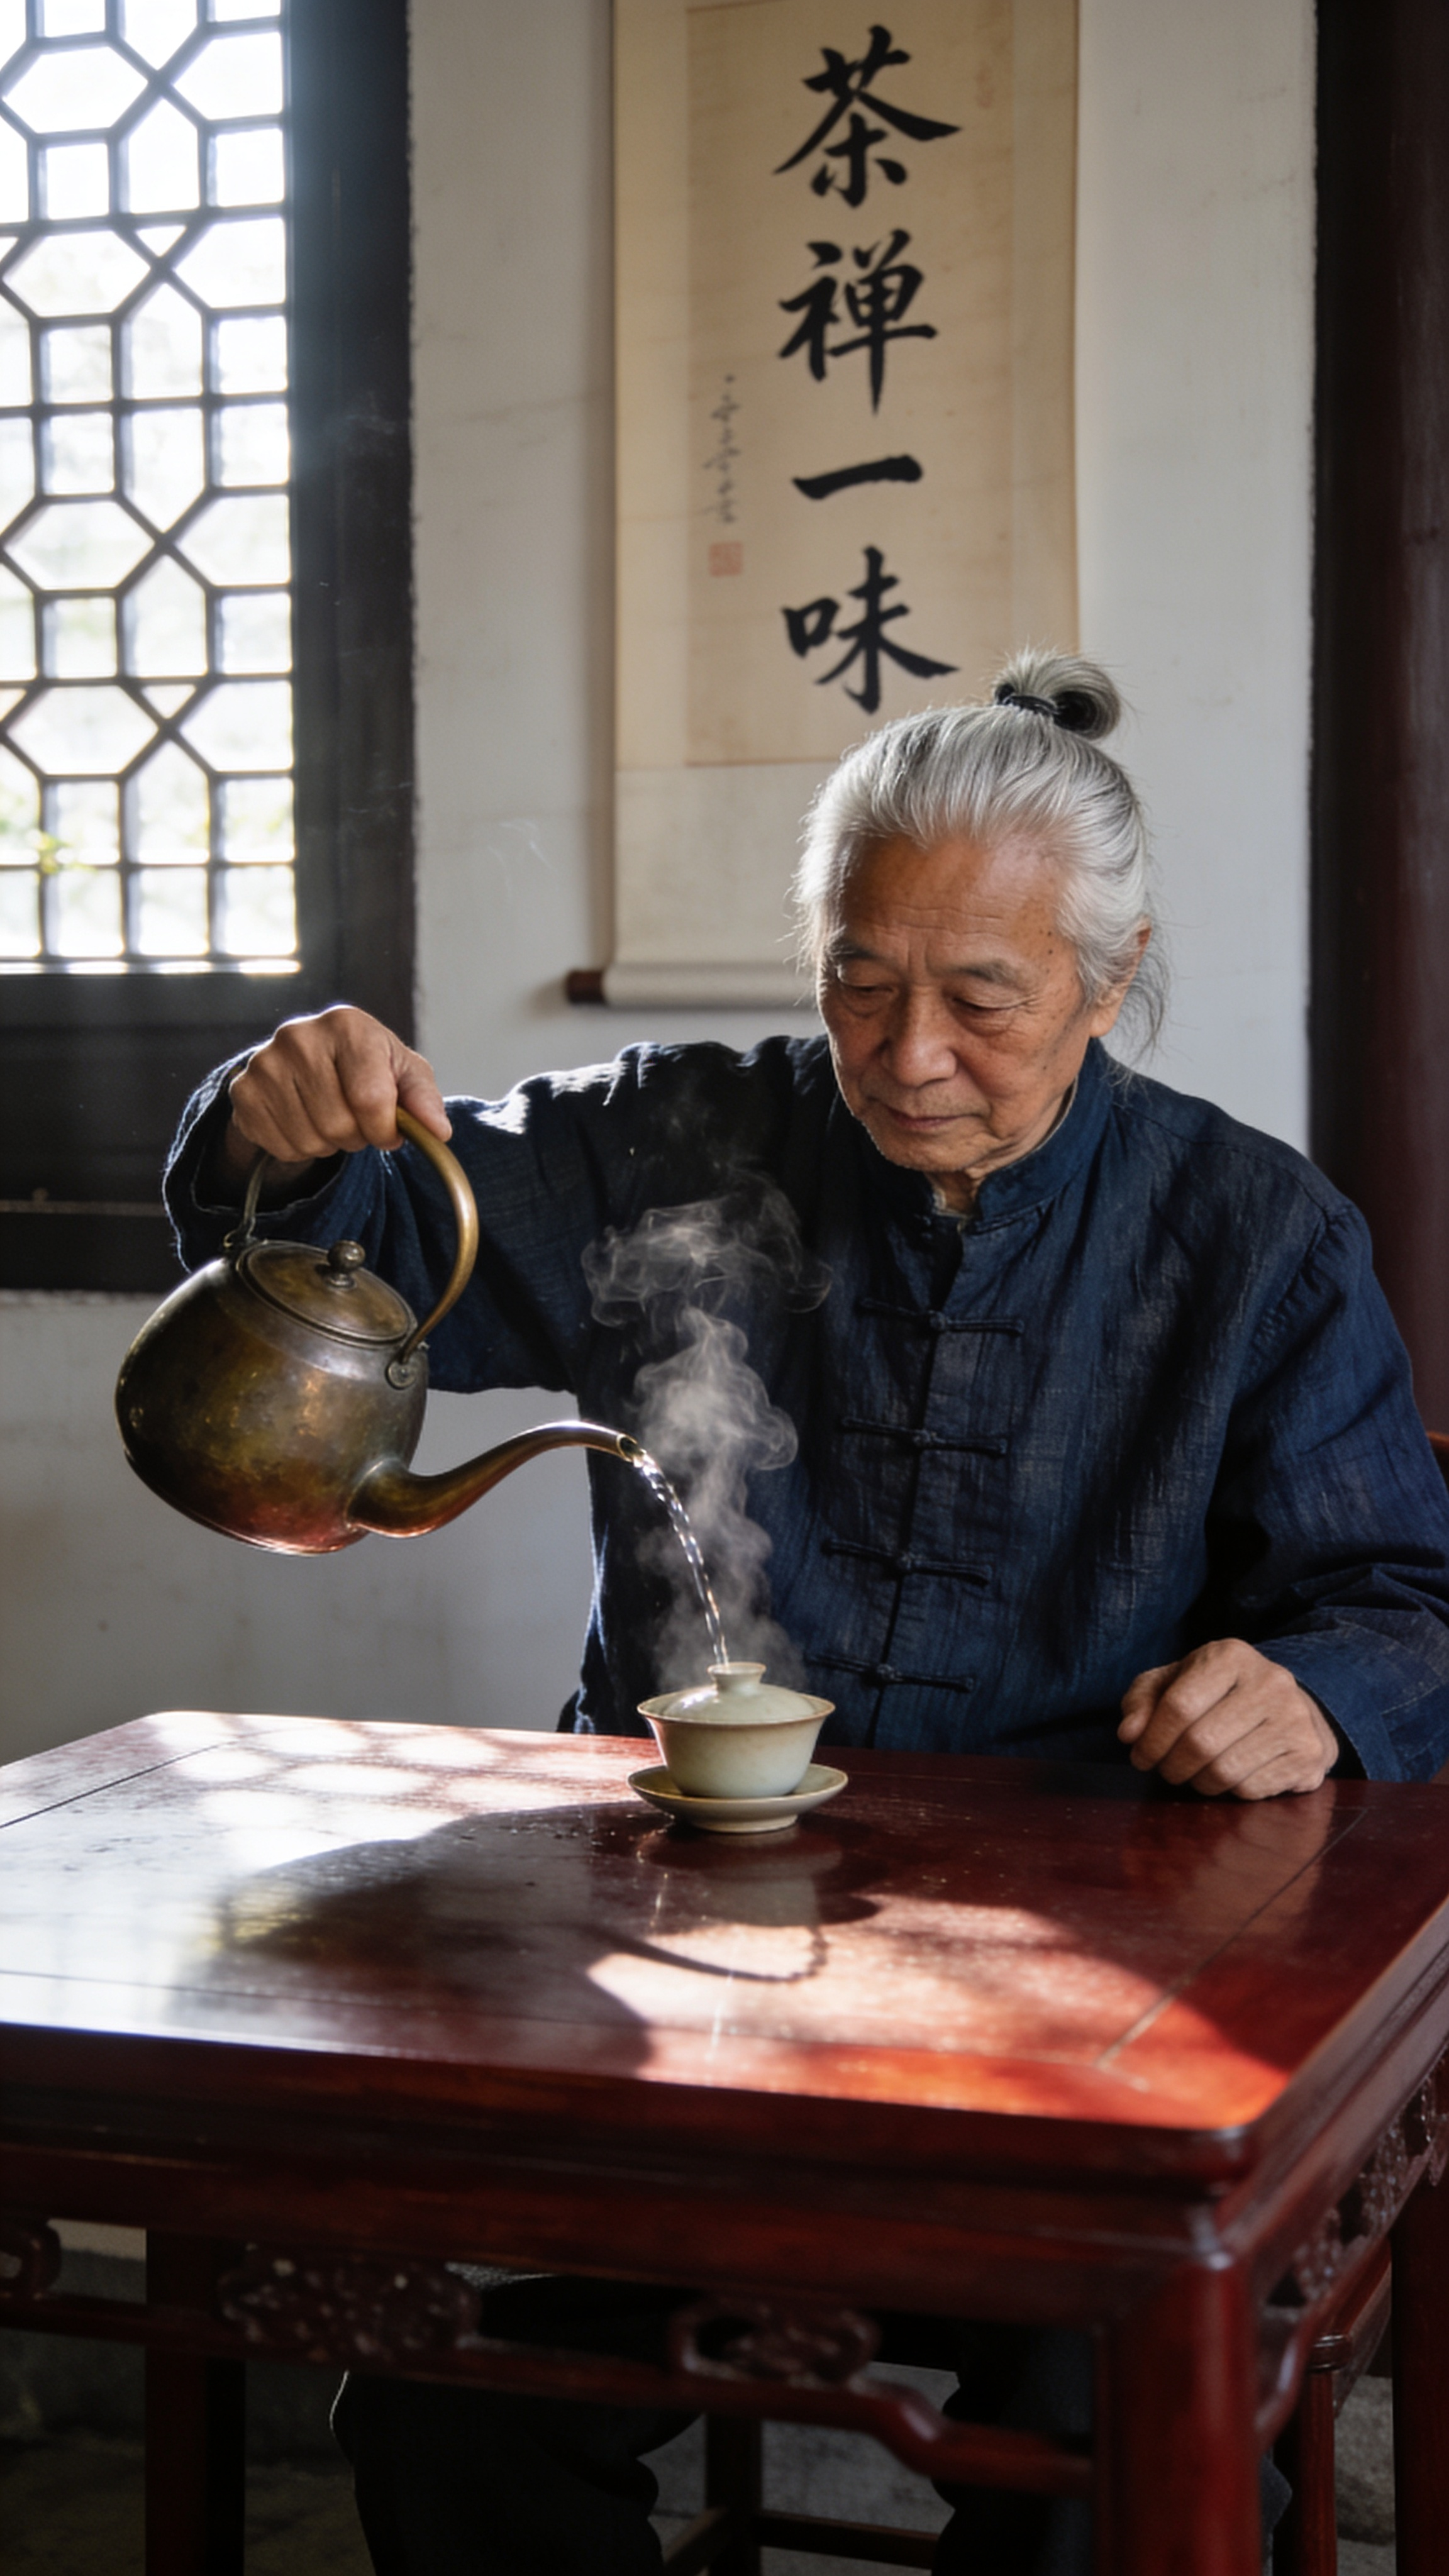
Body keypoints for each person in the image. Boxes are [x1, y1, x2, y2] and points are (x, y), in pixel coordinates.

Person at [164, 650, 1449, 2572]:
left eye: (981, 999)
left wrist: (1318, 1687)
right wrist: (275, 1126)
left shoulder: (1251, 1237)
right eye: (859, 978)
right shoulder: (673, 1140)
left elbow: (1403, 1595)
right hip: (687, 2003)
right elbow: (349, 1250)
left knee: (1122, 2458)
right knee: (445, 2400)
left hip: (1074, 2045)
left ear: (1111, 978)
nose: (908, 1051)